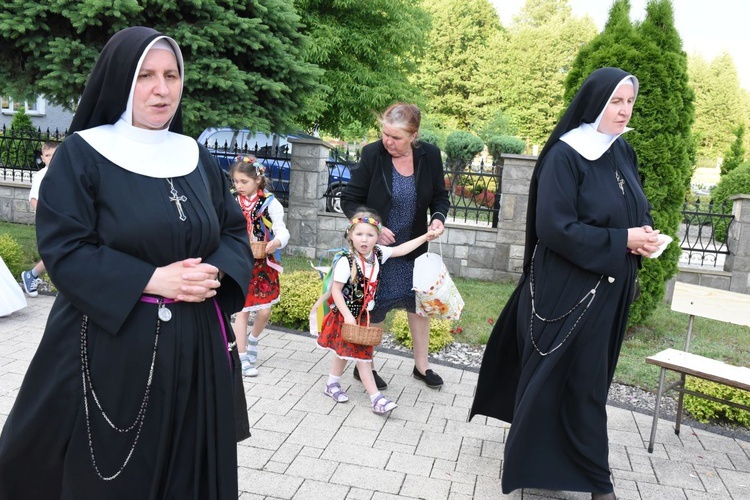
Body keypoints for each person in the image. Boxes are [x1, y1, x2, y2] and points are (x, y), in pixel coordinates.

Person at [0, 26, 252, 499]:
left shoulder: (195, 156)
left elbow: (234, 232)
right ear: (121, 81)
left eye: (172, 75)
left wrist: (213, 272)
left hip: (196, 346)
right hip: (110, 346)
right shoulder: (83, 154)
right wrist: (155, 278)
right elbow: (65, 247)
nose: (163, 89)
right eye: (147, 76)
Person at [469, 67, 660, 500]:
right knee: (581, 384)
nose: (624, 110)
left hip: (610, 289)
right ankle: (598, 484)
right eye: (616, 101)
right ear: (595, 103)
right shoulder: (565, 155)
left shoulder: (620, 151)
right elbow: (555, 228)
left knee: (583, 382)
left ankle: (543, 460)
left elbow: (631, 208)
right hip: (569, 291)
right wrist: (621, 240)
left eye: (629, 102)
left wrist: (643, 235)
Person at [340, 102, 449, 390]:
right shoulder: (373, 154)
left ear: (414, 135)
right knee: (375, 307)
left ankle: (421, 367)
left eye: (396, 137)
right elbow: (349, 200)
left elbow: (440, 197)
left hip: (414, 247)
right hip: (379, 252)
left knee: (419, 308)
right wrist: (374, 226)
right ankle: (365, 365)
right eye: (385, 134)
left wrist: (437, 219)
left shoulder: (430, 156)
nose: (388, 141)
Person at [315, 208, 440, 414]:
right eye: (359, 234)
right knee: (363, 358)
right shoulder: (347, 261)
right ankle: (376, 399)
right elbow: (335, 291)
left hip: (363, 317)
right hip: (347, 316)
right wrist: (347, 315)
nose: (364, 239)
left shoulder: (378, 254)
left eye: (370, 235)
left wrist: (426, 236)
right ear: (350, 235)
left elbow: (402, 249)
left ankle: (332, 384)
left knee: (345, 352)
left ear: (378, 236)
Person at [229, 155, 289, 377]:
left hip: (263, 264)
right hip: (240, 261)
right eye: (236, 181)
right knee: (242, 310)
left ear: (257, 180)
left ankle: (253, 340)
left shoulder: (270, 203)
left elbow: (282, 229)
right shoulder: (232, 201)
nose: (239, 186)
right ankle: (242, 357)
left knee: (264, 311)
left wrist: (277, 241)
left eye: (243, 181)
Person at [20, 140, 59, 297]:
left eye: (55, 155)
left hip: (62, 219)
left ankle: (32, 275)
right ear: (43, 158)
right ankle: (32, 275)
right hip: (47, 221)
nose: (51, 158)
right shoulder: (41, 176)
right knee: (56, 252)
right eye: (48, 155)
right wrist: (47, 218)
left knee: (60, 252)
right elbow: (34, 199)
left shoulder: (64, 173)